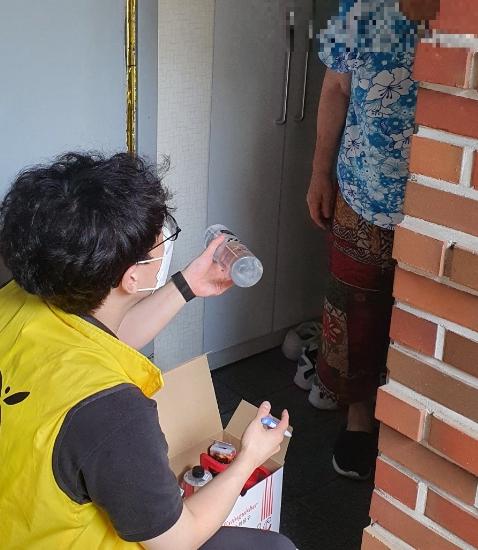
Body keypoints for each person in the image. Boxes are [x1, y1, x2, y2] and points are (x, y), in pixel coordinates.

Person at [0, 152, 295, 550]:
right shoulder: (113, 414)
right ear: (131, 277)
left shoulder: (17, 297)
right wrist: (249, 458)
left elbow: (102, 338)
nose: (164, 244)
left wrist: (187, 285)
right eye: (162, 240)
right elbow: (178, 540)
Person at [298, 0, 440, 479]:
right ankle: (358, 416)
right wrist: (320, 172)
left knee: (422, 319)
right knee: (355, 310)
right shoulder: (359, 7)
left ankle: (409, 426)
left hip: (437, 207)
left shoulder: (461, 17)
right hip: (363, 191)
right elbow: (336, 86)